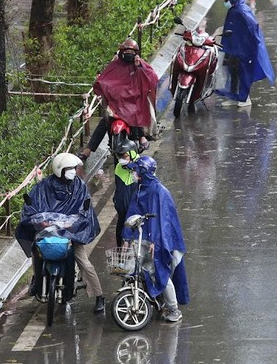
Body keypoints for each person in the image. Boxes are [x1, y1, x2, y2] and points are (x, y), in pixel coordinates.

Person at [16, 153, 106, 313]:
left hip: (70, 232)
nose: (73, 171)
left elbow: (84, 208)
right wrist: (38, 220)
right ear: (59, 170)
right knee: (36, 250)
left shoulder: (79, 186)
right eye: (69, 168)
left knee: (85, 264)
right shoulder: (44, 186)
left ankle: (99, 296)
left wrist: (74, 222)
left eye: (73, 168)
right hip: (48, 231)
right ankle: (36, 279)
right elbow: (32, 205)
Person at [122, 156, 189, 323]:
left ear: (143, 172)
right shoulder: (139, 190)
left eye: (135, 170)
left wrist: (155, 242)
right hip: (143, 238)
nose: (133, 174)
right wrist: (126, 237)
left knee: (160, 272)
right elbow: (131, 214)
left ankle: (173, 308)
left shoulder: (159, 192)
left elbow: (163, 222)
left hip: (159, 241)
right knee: (135, 268)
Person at [80, 39, 158, 160]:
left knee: (135, 113)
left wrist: (140, 67)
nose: (129, 54)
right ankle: (89, 149)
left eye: (131, 52)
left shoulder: (139, 64)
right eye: (126, 51)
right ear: (121, 52)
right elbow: (105, 79)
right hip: (116, 103)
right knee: (104, 122)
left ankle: (141, 136)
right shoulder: (114, 65)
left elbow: (152, 78)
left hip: (132, 101)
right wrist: (100, 82)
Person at [215, 0, 275, 108]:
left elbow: (253, 29)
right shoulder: (234, 10)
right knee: (232, 72)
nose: (225, 3)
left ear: (233, 0)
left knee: (243, 73)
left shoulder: (242, 12)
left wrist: (251, 48)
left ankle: (244, 98)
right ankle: (234, 97)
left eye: (226, 0)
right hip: (233, 48)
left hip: (243, 50)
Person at [113, 138, 139, 248]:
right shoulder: (119, 167)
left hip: (136, 213)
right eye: (120, 157)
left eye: (125, 156)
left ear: (133, 154)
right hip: (122, 211)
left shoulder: (142, 167)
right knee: (120, 232)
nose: (121, 160)